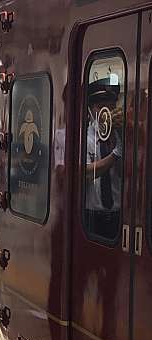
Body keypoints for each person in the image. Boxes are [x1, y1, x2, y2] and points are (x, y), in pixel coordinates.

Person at [84, 77, 123, 239]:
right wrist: (115, 154)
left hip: (119, 216)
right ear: (91, 110)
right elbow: (85, 173)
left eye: (111, 106)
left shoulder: (123, 135)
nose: (107, 112)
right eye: (101, 107)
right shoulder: (84, 138)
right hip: (93, 217)